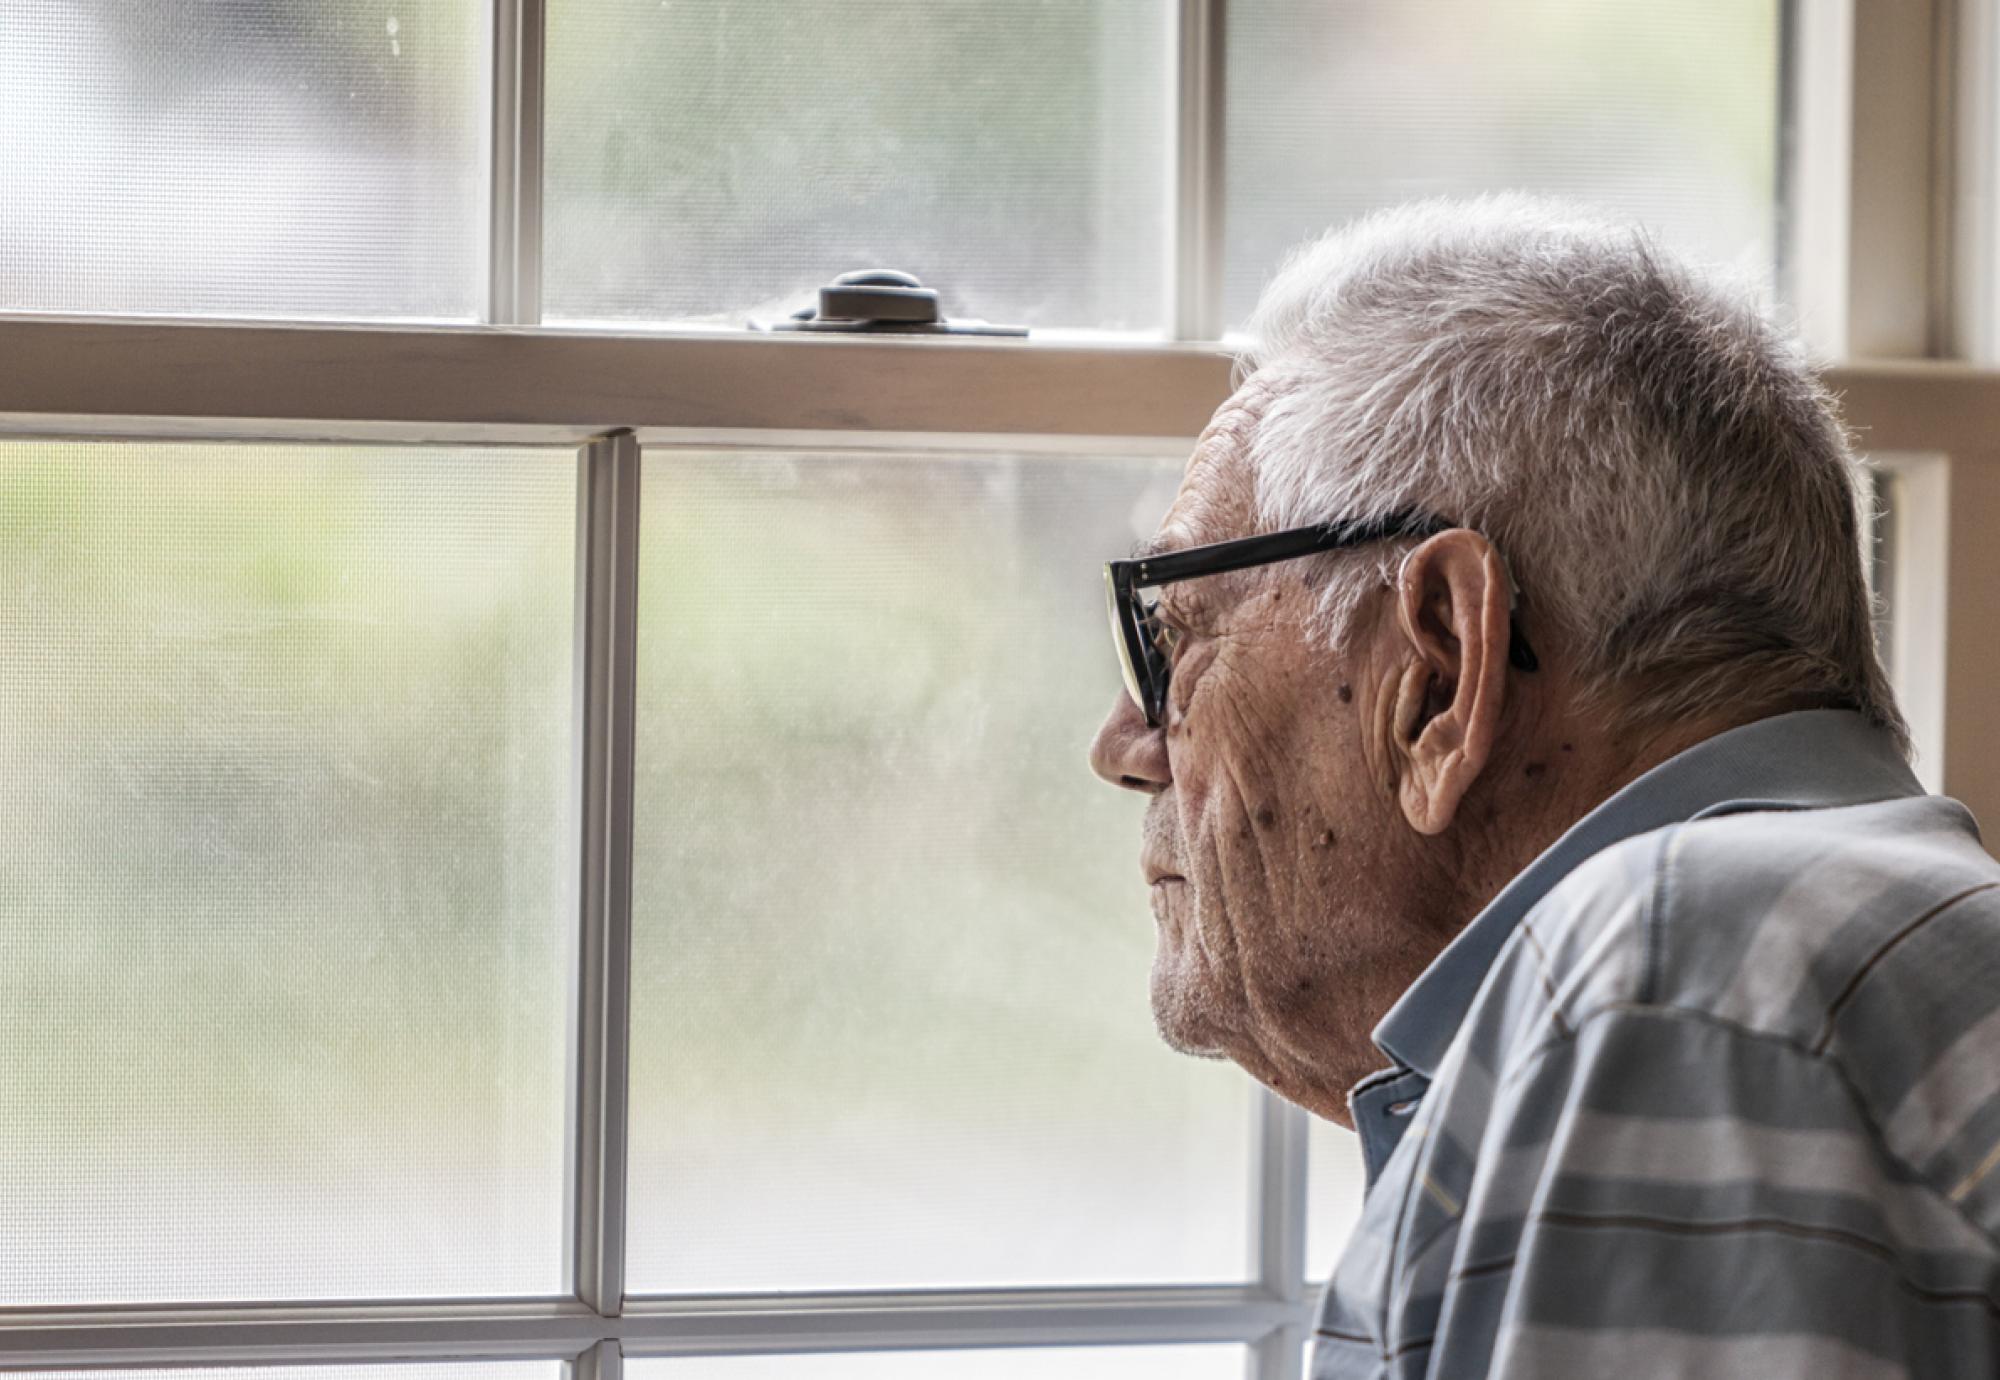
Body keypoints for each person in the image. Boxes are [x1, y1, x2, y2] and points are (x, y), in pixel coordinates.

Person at [1088, 195, 2000, 1378]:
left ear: (1437, 672)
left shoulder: (1681, 981)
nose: (1124, 742)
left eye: (1172, 637)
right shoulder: (1816, 952)